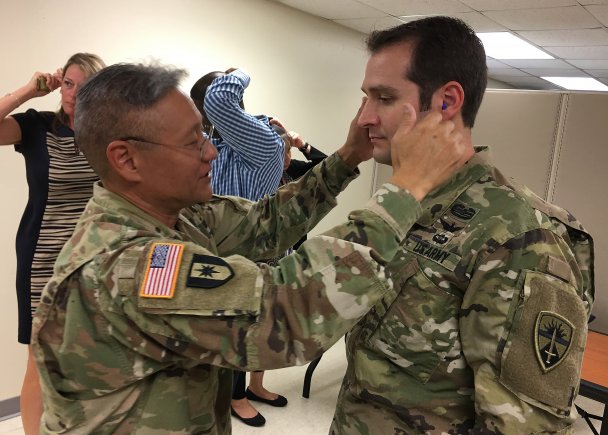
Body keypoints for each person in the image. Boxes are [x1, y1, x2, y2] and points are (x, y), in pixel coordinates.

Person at [30, 62, 470, 434]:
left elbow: (267, 223)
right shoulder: (129, 265)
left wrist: (347, 157)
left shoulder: (175, 215)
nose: (211, 154)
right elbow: (288, 314)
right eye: (192, 142)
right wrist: (406, 189)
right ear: (126, 159)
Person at [329, 16, 595, 434]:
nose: (363, 118)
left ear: (447, 102)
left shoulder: (520, 237)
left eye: (382, 97)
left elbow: (522, 426)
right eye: (365, 97)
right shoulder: (406, 205)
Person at [0, 52, 105, 434]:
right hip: (43, 258)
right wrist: (28, 90)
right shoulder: (37, 128)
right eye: (68, 83)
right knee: (39, 358)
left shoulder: (108, 135)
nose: (73, 93)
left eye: (85, 85)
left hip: (96, 260)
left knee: (92, 356)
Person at [190, 68, 287, 426]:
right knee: (235, 334)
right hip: (218, 254)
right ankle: (239, 394)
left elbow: (219, 99)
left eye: (203, 115)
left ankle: (247, 391)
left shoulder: (265, 141)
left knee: (256, 332)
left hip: (258, 257)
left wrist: (235, 73)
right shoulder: (214, 145)